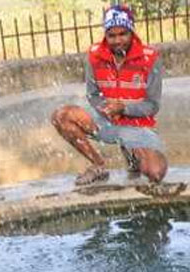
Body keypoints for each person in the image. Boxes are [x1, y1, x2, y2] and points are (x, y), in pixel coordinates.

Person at [51, 4, 168, 187]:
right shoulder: (94, 54)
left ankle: (132, 155)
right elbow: (92, 94)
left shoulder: (150, 58)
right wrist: (106, 108)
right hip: (105, 120)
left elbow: (153, 105)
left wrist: (124, 108)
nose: (117, 40)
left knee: (155, 173)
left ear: (131, 32)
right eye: (111, 35)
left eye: (123, 34)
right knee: (61, 116)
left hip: (136, 125)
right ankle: (98, 165)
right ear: (105, 34)